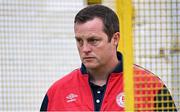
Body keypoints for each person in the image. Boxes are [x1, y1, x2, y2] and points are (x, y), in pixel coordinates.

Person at [40, 5, 177, 111]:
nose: (85, 49)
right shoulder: (57, 92)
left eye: (93, 40)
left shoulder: (149, 86)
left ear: (115, 38)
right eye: (79, 41)